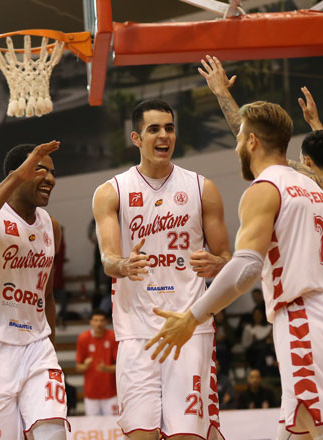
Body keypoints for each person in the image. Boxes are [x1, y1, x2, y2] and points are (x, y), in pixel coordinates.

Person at [145, 100, 323, 439]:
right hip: (312, 313)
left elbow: (246, 268)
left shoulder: (265, 189)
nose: (237, 145)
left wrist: (191, 317)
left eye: (240, 137)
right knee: (297, 427)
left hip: (302, 319)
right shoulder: (313, 186)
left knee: (311, 426)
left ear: (252, 141)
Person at [93, 98, 231, 439]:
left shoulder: (203, 188)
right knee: (140, 435)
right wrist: (124, 264)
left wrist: (217, 263)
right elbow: (108, 261)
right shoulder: (112, 192)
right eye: (153, 128)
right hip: (136, 332)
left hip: (189, 328)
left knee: (188, 435)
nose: (163, 135)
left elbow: (229, 260)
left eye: (169, 128)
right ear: (136, 138)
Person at [0, 141, 69, 440]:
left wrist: (52, 351)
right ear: (18, 173)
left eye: (53, 172)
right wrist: (17, 176)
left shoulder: (51, 226)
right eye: (41, 170)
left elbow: (46, 296)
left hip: (36, 347)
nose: (51, 179)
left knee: (53, 433)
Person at [197, 55, 323, 189]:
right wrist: (314, 123)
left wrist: (221, 91)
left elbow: (247, 133)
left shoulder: (300, 179)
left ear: (308, 162)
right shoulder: (314, 183)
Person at [75, 309, 118, 416]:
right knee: (93, 426)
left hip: (111, 393)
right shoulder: (83, 338)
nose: (98, 323)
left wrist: (106, 369)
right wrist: (85, 365)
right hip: (91, 394)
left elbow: (121, 366)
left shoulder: (113, 336)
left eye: (101, 320)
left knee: (113, 427)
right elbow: (78, 367)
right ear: (90, 322)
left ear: (106, 322)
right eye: (95, 320)